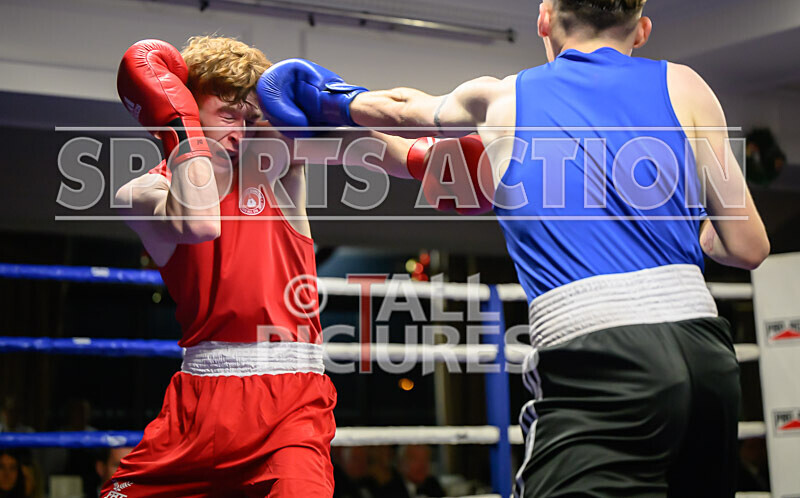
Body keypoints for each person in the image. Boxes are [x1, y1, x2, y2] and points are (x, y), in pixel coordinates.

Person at [256, 0, 770, 496]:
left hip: (601, 355)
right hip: (708, 356)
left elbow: (402, 111)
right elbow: (748, 246)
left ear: (544, 19)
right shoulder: (686, 85)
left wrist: (332, 99)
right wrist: (679, 229)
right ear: (641, 30)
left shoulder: (503, 99)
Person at [109, 35, 412, 497]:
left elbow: (354, 142)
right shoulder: (142, 193)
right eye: (227, 114)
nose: (242, 130)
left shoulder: (271, 164)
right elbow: (200, 224)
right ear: (185, 109)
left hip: (290, 406)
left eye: (249, 116)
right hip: (197, 409)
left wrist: (425, 157)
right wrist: (182, 128)